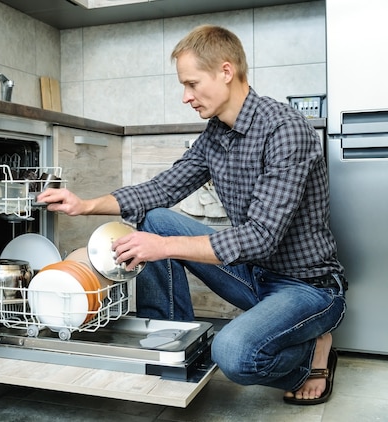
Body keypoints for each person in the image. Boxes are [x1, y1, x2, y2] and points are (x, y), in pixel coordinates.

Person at [37, 24, 347, 405]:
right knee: (153, 219)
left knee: (234, 353)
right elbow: (163, 189)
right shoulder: (216, 134)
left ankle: (313, 356)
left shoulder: (286, 130)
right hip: (255, 275)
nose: (186, 97)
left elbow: (260, 236)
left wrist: (164, 247)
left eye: (192, 84)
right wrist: (84, 204)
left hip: (307, 286)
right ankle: (172, 343)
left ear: (226, 71)